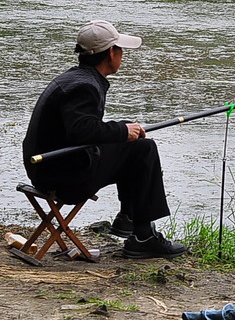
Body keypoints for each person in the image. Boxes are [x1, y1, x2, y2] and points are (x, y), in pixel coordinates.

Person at [22, 21, 189, 259]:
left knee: (134, 141)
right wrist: (122, 131)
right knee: (144, 148)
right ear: (111, 53)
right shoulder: (84, 86)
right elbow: (81, 130)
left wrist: (123, 130)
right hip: (64, 179)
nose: (122, 55)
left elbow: (81, 128)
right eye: (120, 49)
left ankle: (128, 220)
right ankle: (143, 236)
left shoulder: (75, 78)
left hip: (47, 170)